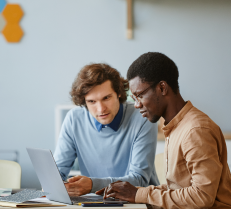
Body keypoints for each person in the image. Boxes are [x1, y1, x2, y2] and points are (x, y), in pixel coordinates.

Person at [97, 53, 231, 209]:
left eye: (139, 96)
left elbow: (202, 196)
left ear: (162, 88)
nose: (136, 105)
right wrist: (134, 192)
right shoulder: (177, 126)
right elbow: (178, 190)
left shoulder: (196, 130)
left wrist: (139, 195)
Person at [54, 63, 159, 197]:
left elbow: (139, 180)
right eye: (92, 101)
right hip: (95, 202)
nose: (101, 109)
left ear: (119, 93)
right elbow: (57, 173)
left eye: (106, 98)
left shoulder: (143, 117)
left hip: (137, 202)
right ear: (84, 102)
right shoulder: (74, 119)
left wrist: (92, 185)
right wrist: (59, 185)